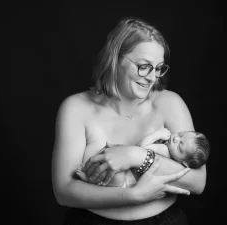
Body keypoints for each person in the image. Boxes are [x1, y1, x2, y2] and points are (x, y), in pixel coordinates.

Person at [51, 17, 207, 225]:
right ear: (115, 59)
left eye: (159, 68)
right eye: (144, 66)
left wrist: (138, 156)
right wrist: (134, 196)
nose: (152, 78)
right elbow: (64, 192)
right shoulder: (76, 108)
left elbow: (197, 182)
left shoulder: (170, 103)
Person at [76, 128, 210, 187]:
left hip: (127, 181)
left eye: (180, 146)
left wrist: (156, 134)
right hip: (132, 177)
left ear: (184, 163)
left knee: (114, 174)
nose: (175, 138)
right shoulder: (173, 160)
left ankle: (89, 179)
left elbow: (141, 147)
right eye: (181, 134)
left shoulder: (164, 150)